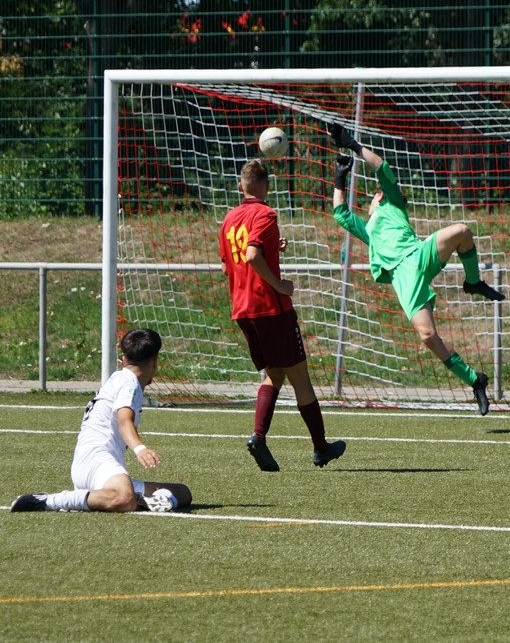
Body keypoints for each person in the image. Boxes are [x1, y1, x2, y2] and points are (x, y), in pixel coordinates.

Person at [329, 123, 504, 415]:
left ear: (380, 197)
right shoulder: (368, 231)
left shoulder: (392, 203)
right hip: (404, 277)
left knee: (462, 231)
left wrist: (353, 145)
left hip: (419, 254)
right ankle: (476, 380)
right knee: (428, 337)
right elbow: (340, 213)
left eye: (373, 196)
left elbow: (380, 165)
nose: (370, 200)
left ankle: (473, 282)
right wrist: (339, 179)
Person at [220, 159, 347, 472]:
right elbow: (252, 255)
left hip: (243, 310)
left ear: (240, 186)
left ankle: (259, 437)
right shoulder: (265, 213)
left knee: (274, 375)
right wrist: (280, 285)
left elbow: (229, 264)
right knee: (299, 377)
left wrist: (272, 247)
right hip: (270, 307)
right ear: (267, 185)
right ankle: (320, 447)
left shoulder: (229, 219)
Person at [10, 328, 192, 513]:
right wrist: (140, 449)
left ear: (124, 359)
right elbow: (124, 421)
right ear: (154, 361)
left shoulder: (120, 379)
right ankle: (48, 501)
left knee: (181, 493)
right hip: (97, 460)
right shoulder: (129, 383)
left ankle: (144, 500)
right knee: (124, 499)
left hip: (92, 464)